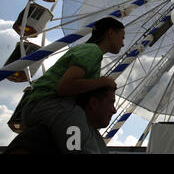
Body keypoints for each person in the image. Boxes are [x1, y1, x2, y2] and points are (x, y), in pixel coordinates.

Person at [18, 17, 125, 153]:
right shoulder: (92, 51)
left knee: (96, 142)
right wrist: (103, 81)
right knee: (83, 148)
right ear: (110, 33)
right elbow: (65, 87)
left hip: (43, 106)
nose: (123, 44)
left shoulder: (91, 52)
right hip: (49, 103)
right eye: (122, 37)